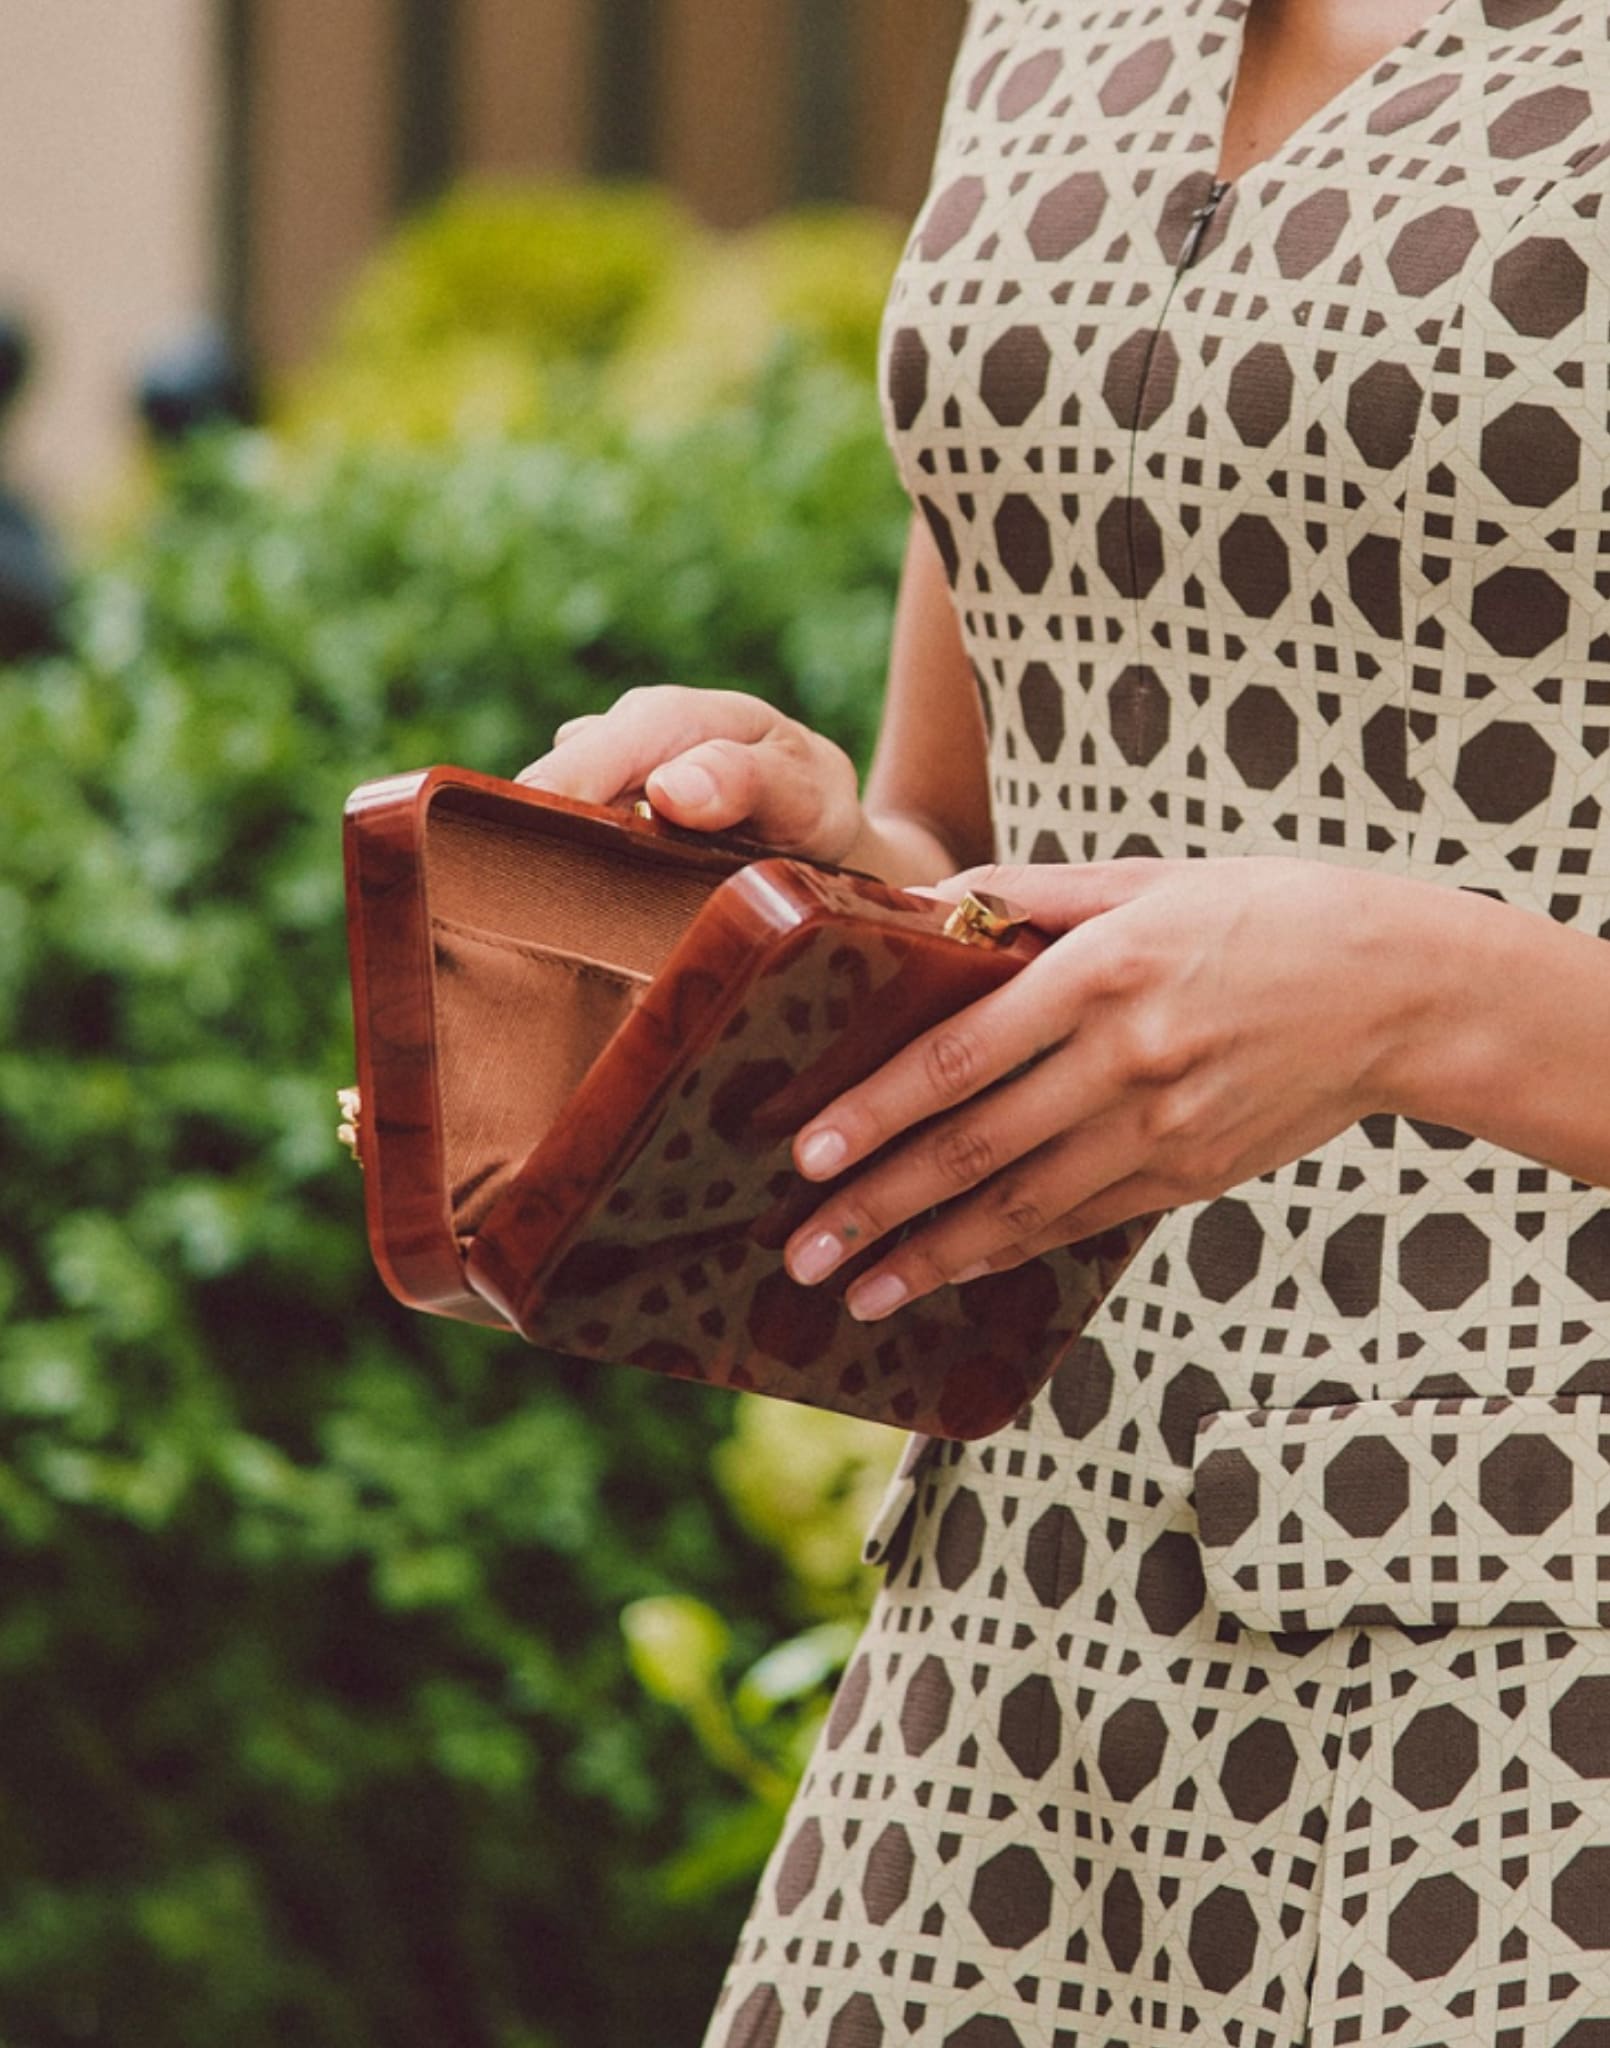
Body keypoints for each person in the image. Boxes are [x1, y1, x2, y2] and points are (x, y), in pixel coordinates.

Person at [522, 1, 1610, 2041]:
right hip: (1034, 1607)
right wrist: (804, 881)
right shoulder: (1054, 19)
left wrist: (1407, 987)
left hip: (1544, 1653)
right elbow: (988, 825)